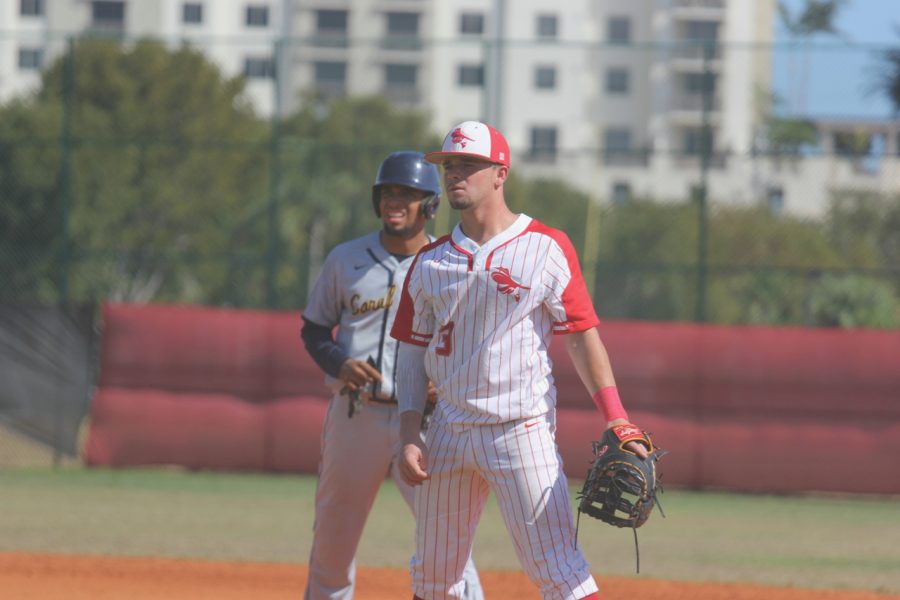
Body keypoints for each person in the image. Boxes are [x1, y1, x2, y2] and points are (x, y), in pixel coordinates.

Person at [391, 122, 650, 600]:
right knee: (432, 578)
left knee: (559, 570)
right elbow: (410, 353)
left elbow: (582, 337)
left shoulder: (545, 246)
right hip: (447, 429)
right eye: (449, 165)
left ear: (500, 173)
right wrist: (409, 433)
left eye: (468, 164)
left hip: (519, 430)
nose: (454, 174)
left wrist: (617, 417)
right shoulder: (429, 262)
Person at [300, 151, 484, 600]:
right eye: (388, 192)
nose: (395, 201)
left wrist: (450, 380)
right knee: (333, 539)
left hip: (426, 422)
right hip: (354, 415)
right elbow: (314, 329)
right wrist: (339, 363)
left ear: (430, 204)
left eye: (408, 194)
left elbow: (475, 344)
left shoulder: (453, 263)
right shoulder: (346, 259)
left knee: (448, 540)